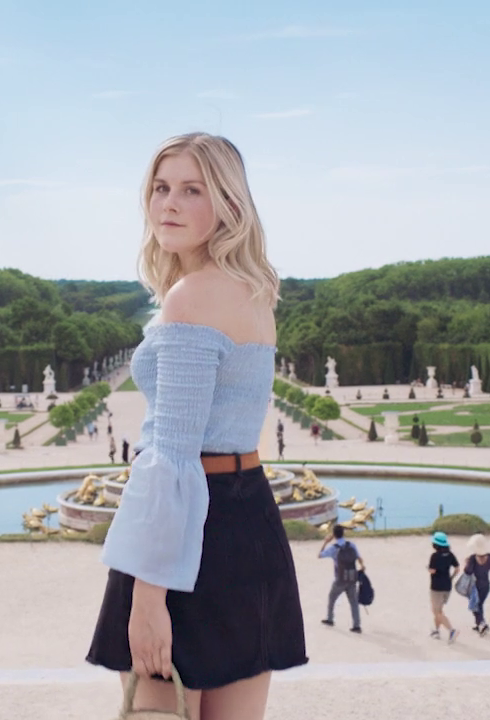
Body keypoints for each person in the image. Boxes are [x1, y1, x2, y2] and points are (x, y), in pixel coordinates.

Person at [85, 133, 306, 720]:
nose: (169, 204)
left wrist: (148, 596)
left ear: (229, 203)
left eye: (191, 190)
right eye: (161, 188)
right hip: (248, 520)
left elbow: (173, 456)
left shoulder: (191, 297)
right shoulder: (254, 291)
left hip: (186, 537)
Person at [318, 525, 364, 633]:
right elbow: (359, 558)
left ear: (334, 535)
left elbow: (320, 555)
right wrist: (362, 567)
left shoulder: (334, 548)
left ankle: (330, 619)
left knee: (332, 598)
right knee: (354, 602)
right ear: (343, 533)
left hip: (340, 579)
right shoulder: (351, 545)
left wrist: (325, 542)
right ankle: (356, 625)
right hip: (352, 577)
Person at [464, 534, 490, 636]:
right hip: (486, 586)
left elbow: (468, 572)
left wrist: (466, 563)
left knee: (475, 606)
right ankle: (479, 624)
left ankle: (482, 623)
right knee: (479, 605)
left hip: (475, 586)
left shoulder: (472, 558)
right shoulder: (489, 557)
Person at [428, 531, 460, 644]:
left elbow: (432, 571)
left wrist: (428, 569)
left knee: (436, 611)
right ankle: (436, 631)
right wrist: (451, 578)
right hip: (447, 586)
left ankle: (451, 630)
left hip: (436, 587)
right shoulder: (450, 555)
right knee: (439, 610)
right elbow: (457, 568)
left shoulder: (434, 556)